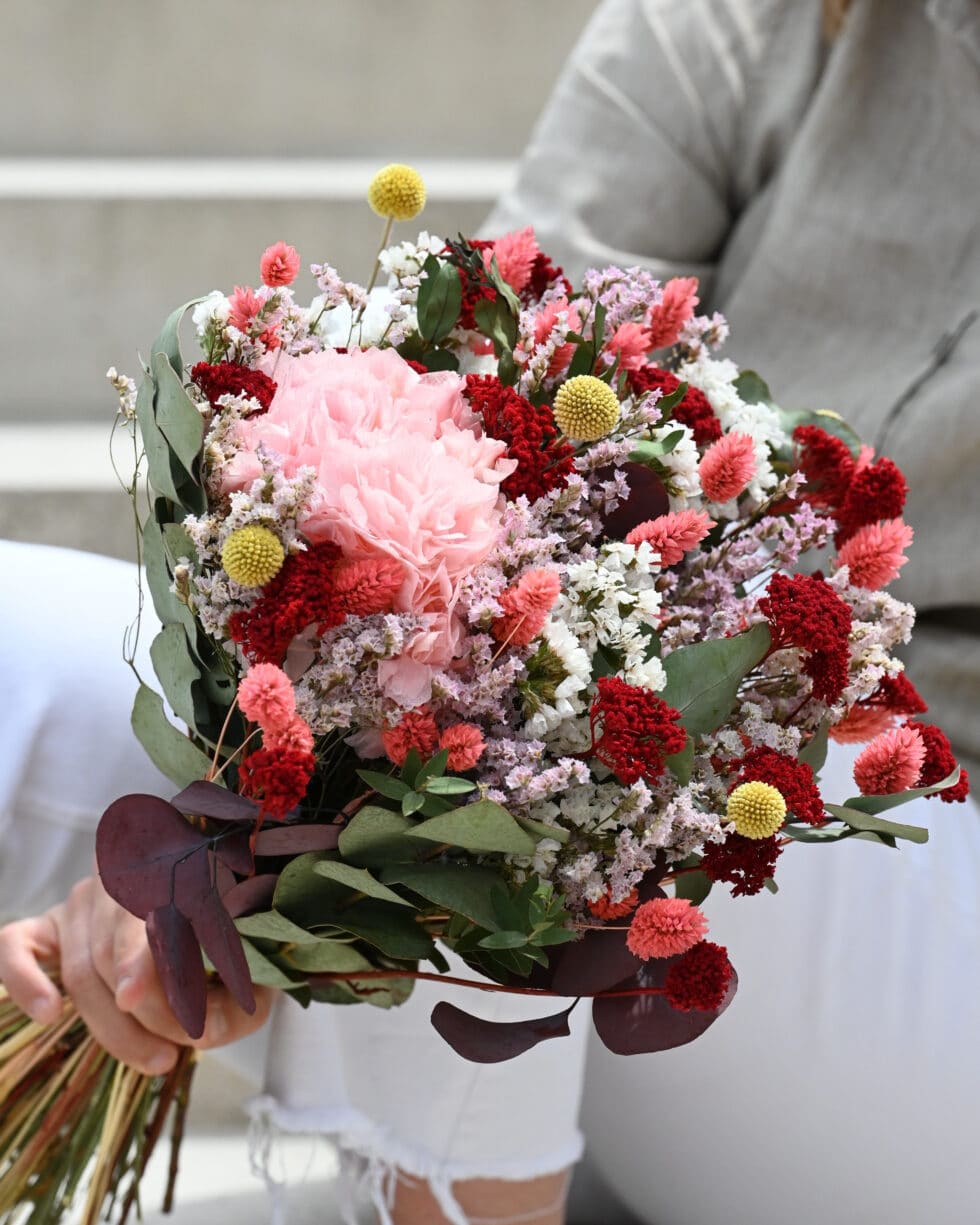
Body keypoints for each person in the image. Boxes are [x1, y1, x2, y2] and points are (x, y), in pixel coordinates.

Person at [2, 0, 979, 1221]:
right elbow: (490, 386)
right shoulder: (756, 26)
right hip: (641, 763)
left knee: (509, 764)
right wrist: (220, 843)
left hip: (925, 970)